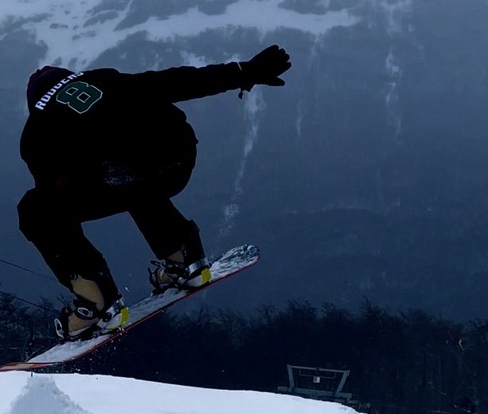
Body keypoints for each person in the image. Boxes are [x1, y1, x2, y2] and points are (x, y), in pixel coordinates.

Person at [18, 45, 292, 342]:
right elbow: (176, 81)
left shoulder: (36, 129)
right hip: (176, 158)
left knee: (37, 210)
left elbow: (54, 195)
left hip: (113, 176)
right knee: (132, 178)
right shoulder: (106, 79)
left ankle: (94, 302)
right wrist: (244, 72)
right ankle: (184, 258)